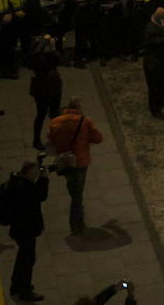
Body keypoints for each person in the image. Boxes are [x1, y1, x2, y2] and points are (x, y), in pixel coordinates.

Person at [47, 97, 104, 236]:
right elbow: (98, 138)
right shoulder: (85, 121)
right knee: (77, 195)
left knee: (73, 188)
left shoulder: (55, 122)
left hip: (65, 161)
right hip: (80, 161)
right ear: (79, 108)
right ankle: (77, 224)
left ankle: (77, 215)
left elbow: (51, 139)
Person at [3, 159, 50, 301]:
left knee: (23, 258)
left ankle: (17, 285)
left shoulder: (17, 183)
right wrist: (44, 179)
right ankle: (24, 290)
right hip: (26, 229)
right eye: (35, 172)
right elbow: (41, 196)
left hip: (20, 229)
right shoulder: (25, 188)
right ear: (28, 173)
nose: (37, 174)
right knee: (27, 261)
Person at [27, 34, 64, 150]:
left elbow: (60, 60)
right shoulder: (36, 56)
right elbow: (39, 64)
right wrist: (46, 44)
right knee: (41, 114)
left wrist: (53, 48)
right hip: (42, 88)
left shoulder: (49, 54)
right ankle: (36, 139)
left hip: (54, 85)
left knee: (55, 113)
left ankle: (56, 137)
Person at [141, 7, 164, 118]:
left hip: (162, 61)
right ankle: (154, 108)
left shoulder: (159, 26)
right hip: (153, 64)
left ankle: (160, 99)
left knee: (163, 82)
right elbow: (158, 43)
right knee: (154, 86)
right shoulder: (150, 29)